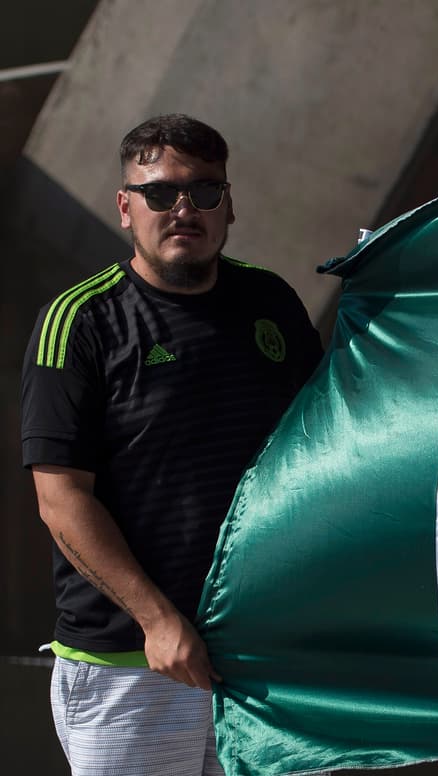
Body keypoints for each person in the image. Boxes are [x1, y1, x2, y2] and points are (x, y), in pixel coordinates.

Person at [20, 114, 323, 775]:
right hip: (131, 669)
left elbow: (319, 456)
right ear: (126, 207)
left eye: (204, 192)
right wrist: (159, 621)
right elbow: (61, 500)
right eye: (160, 193)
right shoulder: (79, 322)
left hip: (262, 662)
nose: (183, 209)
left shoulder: (271, 302)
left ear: (229, 205)